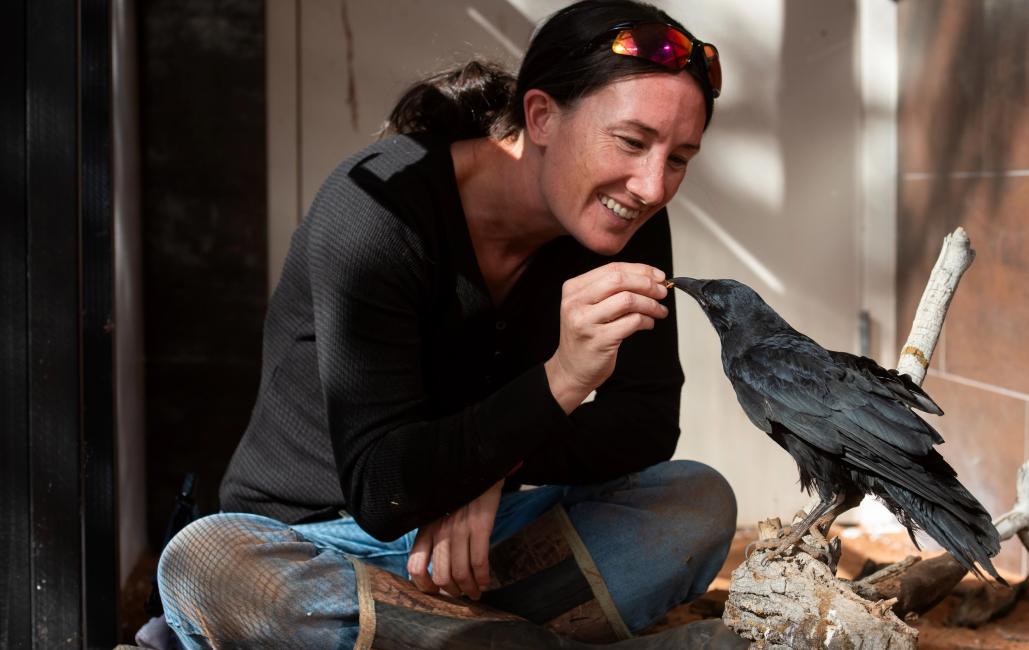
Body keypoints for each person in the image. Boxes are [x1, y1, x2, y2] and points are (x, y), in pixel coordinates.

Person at [156, 1, 738, 647]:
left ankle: (449, 638)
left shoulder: (627, 217)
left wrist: (492, 470)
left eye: (679, 158)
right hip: (317, 545)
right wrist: (562, 379)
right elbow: (383, 489)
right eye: (631, 142)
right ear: (541, 116)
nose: (652, 186)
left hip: (479, 553)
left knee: (695, 504)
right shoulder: (378, 210)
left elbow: (646, 424)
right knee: (206, 564)